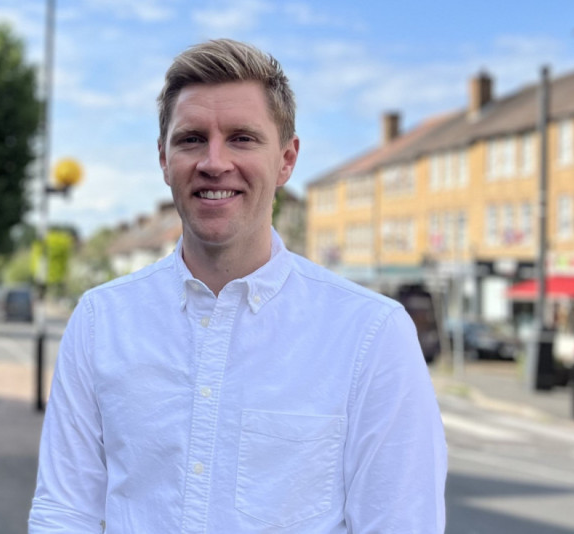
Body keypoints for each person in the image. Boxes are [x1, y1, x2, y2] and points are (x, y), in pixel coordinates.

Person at [29, 39, 447, 533]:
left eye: (242, 138)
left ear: (286, 160)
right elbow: (65, 512)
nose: (214, 162)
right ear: (164, 159)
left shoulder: (371, 335)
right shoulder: (102, 320)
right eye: (191, 139)